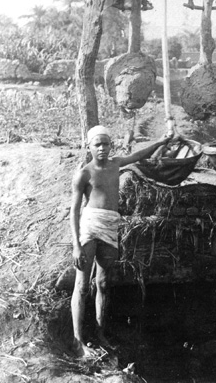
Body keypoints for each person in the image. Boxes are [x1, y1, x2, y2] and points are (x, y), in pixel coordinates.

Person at [70, 125, 172, 358]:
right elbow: (74, 211)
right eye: (98, 145)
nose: (103, 149)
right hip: (89, 226)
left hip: (110, 225)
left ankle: (100, 333)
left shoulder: (116, 164)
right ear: (90, 147)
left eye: (106, 144)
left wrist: (160, 142)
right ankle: (77, 341)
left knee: (104, 283)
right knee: (82, 285)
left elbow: (137, 156)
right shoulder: (84, 173)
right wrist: (76, 245)